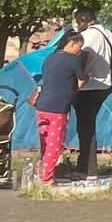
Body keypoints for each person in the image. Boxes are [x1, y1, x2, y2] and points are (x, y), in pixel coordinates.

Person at [33, 31, 83, 185]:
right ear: (72, 44)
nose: (79, 50)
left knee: (45, 142)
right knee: (54, 145)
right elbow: (82, 79)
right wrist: (76, 89)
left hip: (41, 106)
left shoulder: (49, 58)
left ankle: (42, 172)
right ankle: (46, 178)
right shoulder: (73, 60)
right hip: (58, 107)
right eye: (79, 47)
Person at [72, 7, 112, 180]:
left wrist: (78, 78)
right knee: (87, 126)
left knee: (85, 128)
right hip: (104, 86)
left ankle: (88, 170)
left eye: (77, 21)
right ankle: (84, 167)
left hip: (87, 87)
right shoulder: (111, 35)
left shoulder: (87, 37)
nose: (77, 26)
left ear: (83, 19)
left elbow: (80, 60)